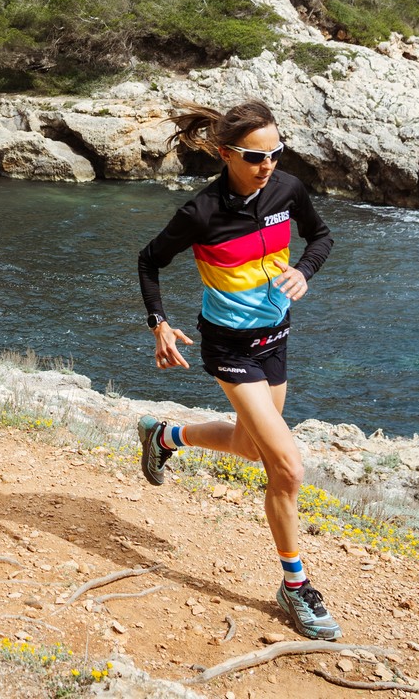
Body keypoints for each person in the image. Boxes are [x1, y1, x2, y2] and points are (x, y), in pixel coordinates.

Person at [135, 100, 340, 640]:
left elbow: (321, 237)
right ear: (226, 154)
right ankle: (295, 586)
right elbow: (149, 260)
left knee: (251, 448)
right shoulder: (200, 212)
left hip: (276, 341)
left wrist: (304, 271)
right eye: (255, 156)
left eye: (276, 152)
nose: (268, 164)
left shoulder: (287, 190)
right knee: (288, 467)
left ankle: (166, 435)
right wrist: (159, 322)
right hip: (229, 347)